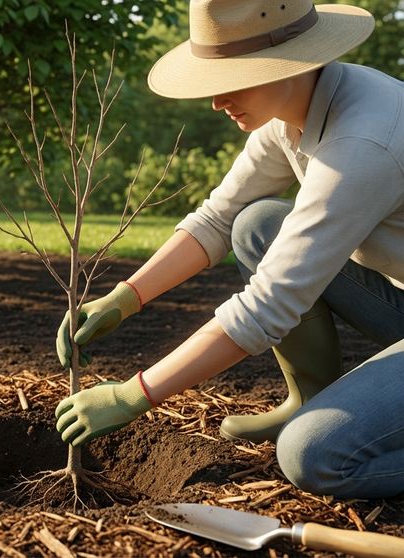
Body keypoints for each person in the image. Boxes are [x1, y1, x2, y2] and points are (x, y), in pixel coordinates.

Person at [53, 0, 404, 499]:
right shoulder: (291, 112)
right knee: (257, 224)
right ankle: (309, 398)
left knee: (315, 457)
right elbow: (217, 219)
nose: (216, 101)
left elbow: (269, 305)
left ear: (290, 62)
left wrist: (134, 395)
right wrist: (125, 297)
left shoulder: (363, 143)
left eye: (234, 78)